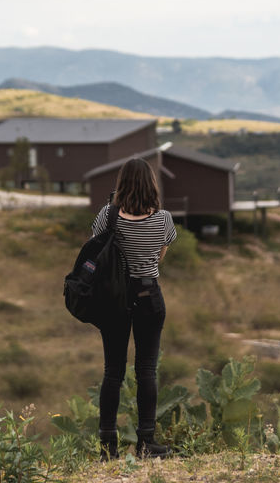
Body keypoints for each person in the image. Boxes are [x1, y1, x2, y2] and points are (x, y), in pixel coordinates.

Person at [90, 156, 177, 460]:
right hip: (148, 295)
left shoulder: (107, 215)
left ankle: (107, 447)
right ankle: (146, 443)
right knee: (147, 371)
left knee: (112, 373)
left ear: (122, 184)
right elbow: (160, 256)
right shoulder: (164, 219)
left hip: (114, 300)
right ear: (151, 184)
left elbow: (96, 250)